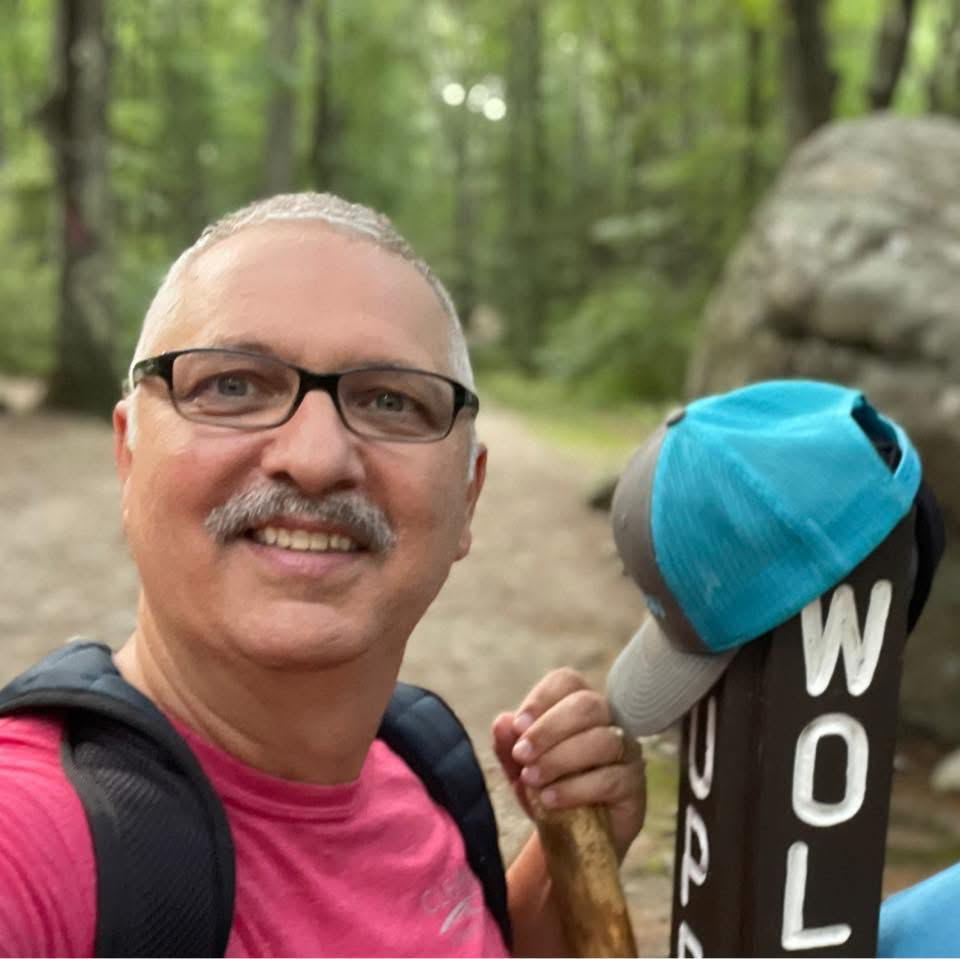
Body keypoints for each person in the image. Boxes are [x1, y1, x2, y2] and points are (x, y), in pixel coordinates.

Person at [0, 193, 646, 957]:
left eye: (389, 400)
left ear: (466, 495)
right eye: (233, 386)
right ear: (128, 454)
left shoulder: (426, 767)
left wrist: (565, 857)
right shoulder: (34, 842)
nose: (313, 458)